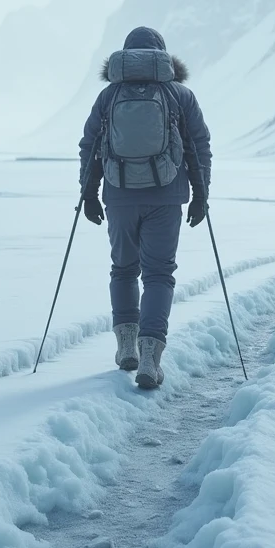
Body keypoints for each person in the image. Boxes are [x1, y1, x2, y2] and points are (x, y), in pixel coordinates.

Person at [79, 26, 212, 389]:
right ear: (163, 56)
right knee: (158, 275)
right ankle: (150, 358)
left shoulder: (109, 96)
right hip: (166, 196)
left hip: (119, 194)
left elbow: (89, 146)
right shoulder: (180, 94)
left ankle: (126, 347)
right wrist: (201, 194)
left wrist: (89, 193)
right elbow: (198, 148)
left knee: (123, 269)